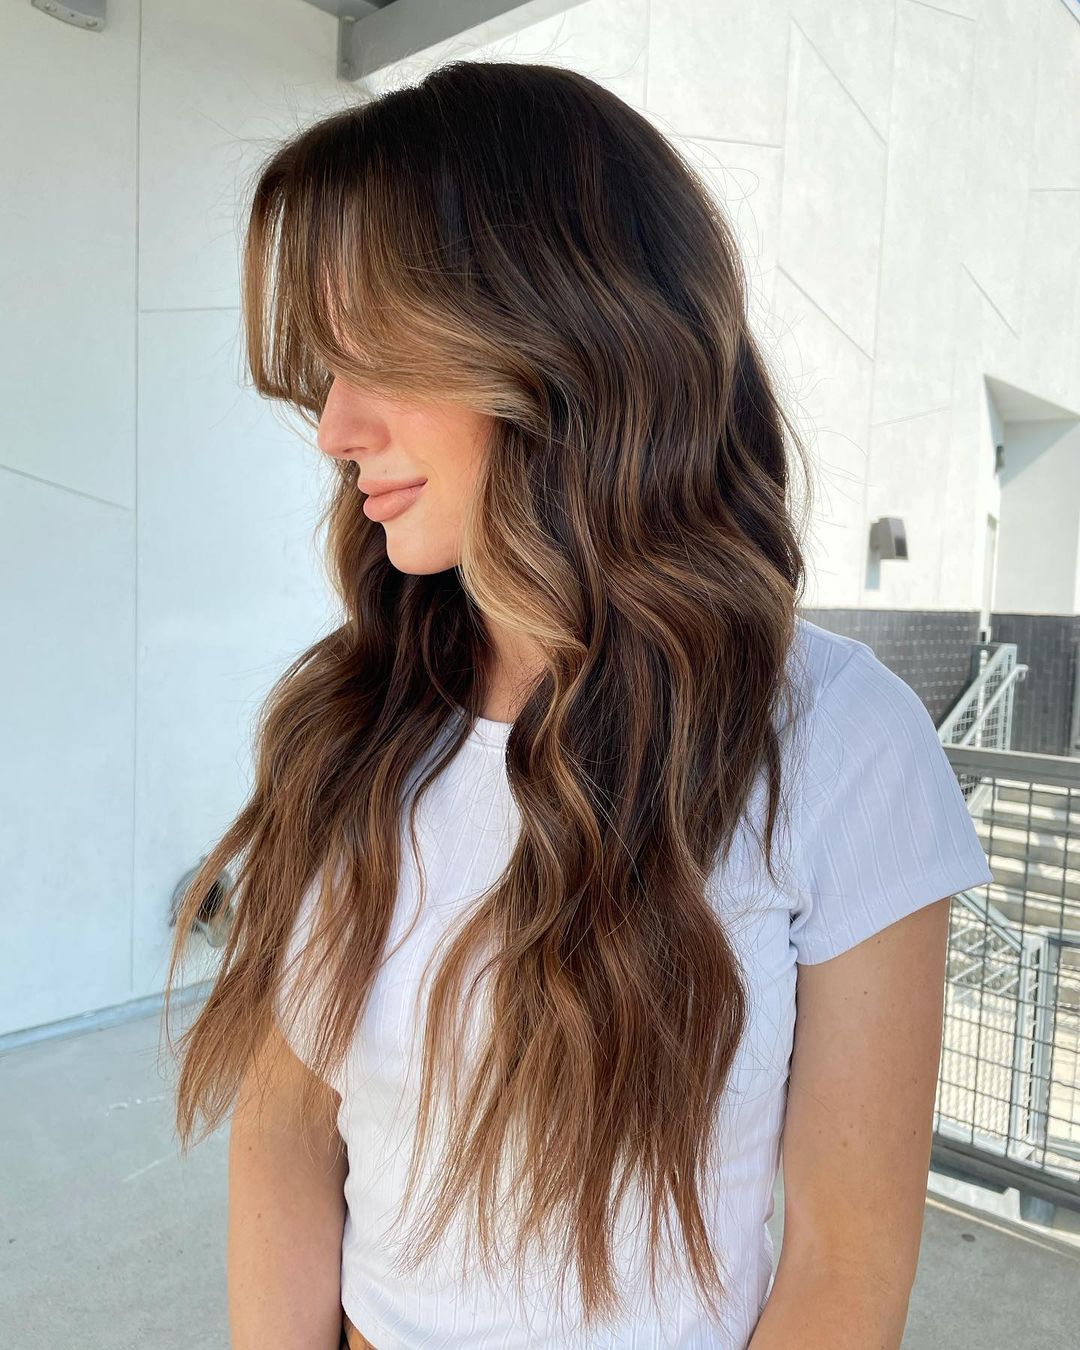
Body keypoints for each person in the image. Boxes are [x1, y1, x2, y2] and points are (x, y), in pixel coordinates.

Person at [163, 59, 994, 1350]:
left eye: (377, 355)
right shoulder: (356, 716)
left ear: (566, 340)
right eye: (326, 368)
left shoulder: (838, 741)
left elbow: (846, 1263)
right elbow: (285, 1126)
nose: (333, 427)